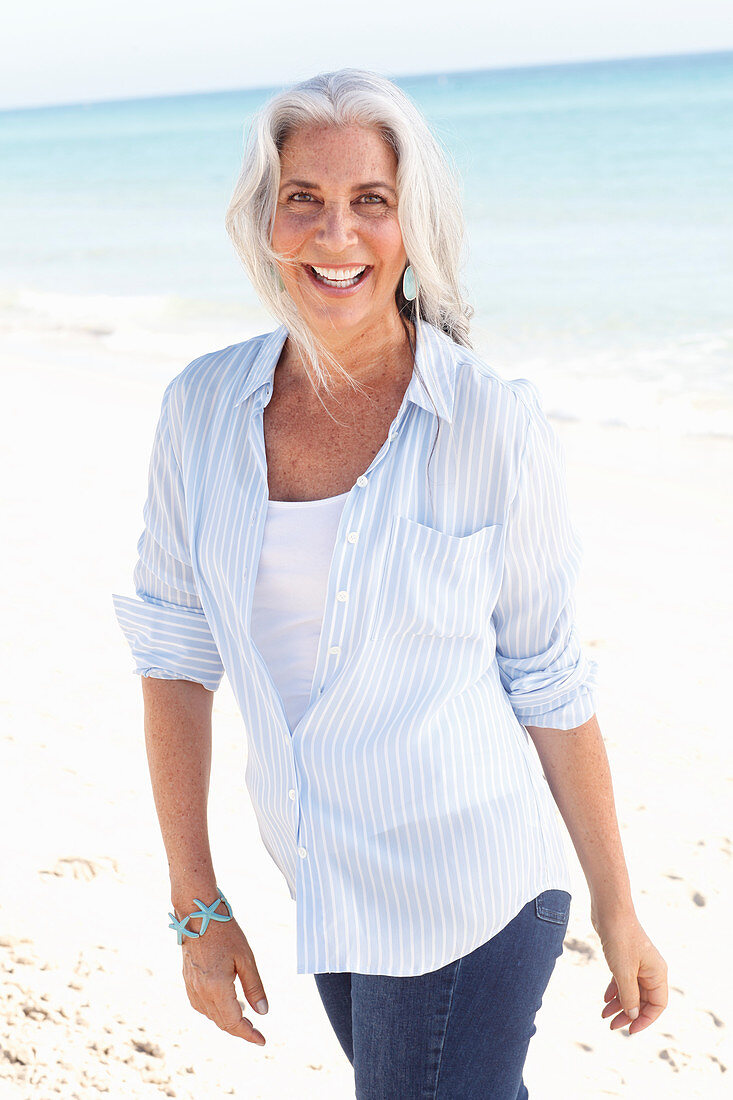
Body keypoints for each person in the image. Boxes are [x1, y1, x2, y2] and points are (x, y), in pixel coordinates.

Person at [112, 68, 668, 1097]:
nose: (336, 237)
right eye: (304, 200)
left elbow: (546, 679)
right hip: (326, 885)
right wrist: (198, 900)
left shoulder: (492, 422)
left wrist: (616, 903)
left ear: (411, 226)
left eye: (370, 202)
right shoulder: (199, 411)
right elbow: (175, 655)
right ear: (263, 220)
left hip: (476, 885)